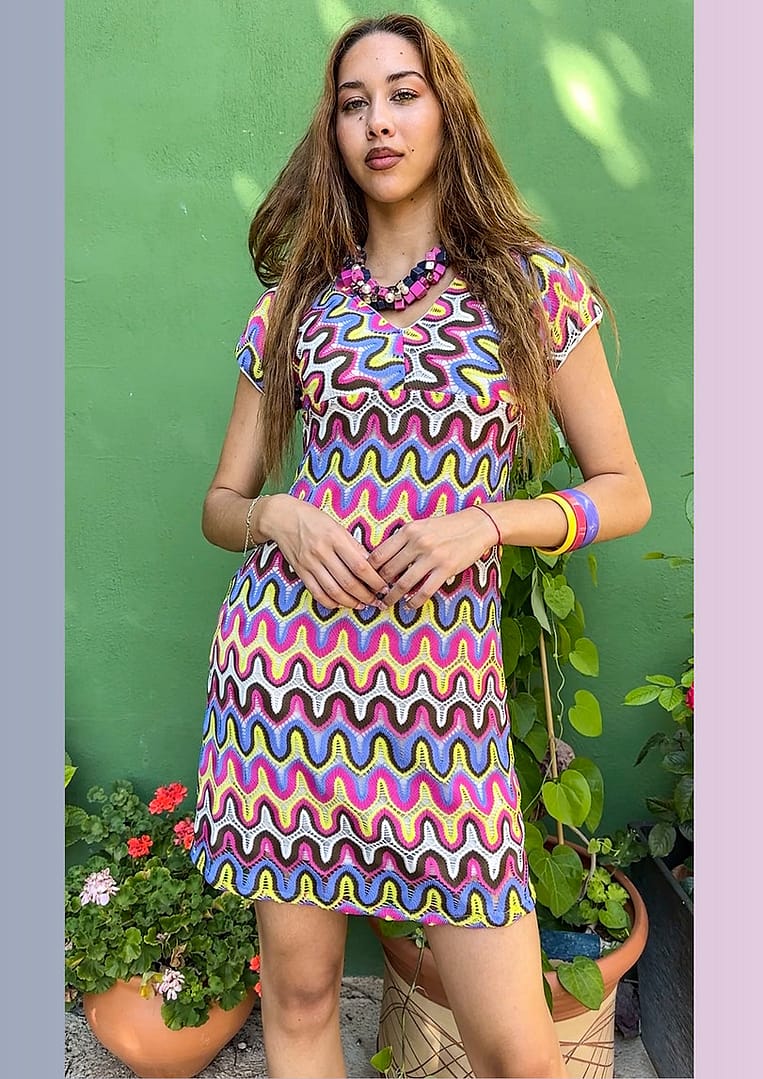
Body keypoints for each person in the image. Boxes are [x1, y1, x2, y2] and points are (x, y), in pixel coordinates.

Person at [190, 12, 651, 1079]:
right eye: (353, 103)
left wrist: (491, 519)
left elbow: (622, 490)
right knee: (302, 997)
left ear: (446, 110)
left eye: (402, 93)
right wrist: (278, 515)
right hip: (287, 683)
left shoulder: (532, 288)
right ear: (332, 130)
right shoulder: (293, 307)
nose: (377, 121)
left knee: (516, 1051)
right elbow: (221, 502)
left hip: (440, 706)